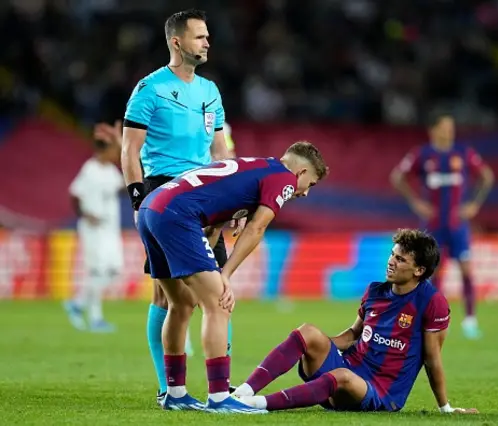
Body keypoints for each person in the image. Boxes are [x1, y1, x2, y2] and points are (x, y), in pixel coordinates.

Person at [136, 142, 328, 412]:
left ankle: (175, 394)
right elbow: (257, 228)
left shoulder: (255, 167)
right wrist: (224, 275)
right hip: (177, 214)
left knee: (180, 304)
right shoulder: (284, 178)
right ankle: (218, 397)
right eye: (311, 183)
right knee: (219, 304)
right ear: (302, 171)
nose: (306, 192)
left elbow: (213, 226)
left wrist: (214, 270)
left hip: (152, 208)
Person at [120, 9, 236, 404]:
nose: (207, 42)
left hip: (204, 193)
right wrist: (138, 198)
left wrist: (231, 196)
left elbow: (220, 151)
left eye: (207, 36)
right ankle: (167, 386)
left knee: (218, 291)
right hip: (164, 191)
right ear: (177, 41)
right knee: (167, 298)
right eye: (200, 36)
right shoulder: (149, 88)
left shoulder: (210, 91)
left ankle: (220, 382)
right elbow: (129, 149)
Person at [232, 229, 477, 414]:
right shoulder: (375, 291)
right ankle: (243, 392)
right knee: (307, 332)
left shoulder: (431, 301)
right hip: (349, 368)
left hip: (381, 391)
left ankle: (255, 405)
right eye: (392, 255)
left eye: (401, 259)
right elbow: (352, 334)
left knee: (343, 376)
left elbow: (432, 358)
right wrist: (316, 345)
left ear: (419, 270)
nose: (391, 261)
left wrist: (444, 407)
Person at [390, 112, 494, 339]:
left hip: (458, 225)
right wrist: (416, 202)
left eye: (451, 127)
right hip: (433, 226)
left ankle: (470, 320)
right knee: (432, 274)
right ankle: (428, 320)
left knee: (466, 270)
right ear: (433, 129)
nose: (450, 131)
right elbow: (397, 177)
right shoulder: (423, 155)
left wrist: (474, 204)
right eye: (446, 127)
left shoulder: (464, 154)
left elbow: (487, 176)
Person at [64, 121, 124, 332]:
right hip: (93, 228)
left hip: (110, 228)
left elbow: (126, 186)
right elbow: (74, 194)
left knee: (114, 270)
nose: (116, 153)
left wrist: (121, 144)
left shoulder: (110, 171)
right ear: (104, 149)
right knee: (97, 271)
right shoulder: (90, 169)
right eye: (114, 149)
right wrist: (85, 214)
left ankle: (78, 304)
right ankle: (96, 318)